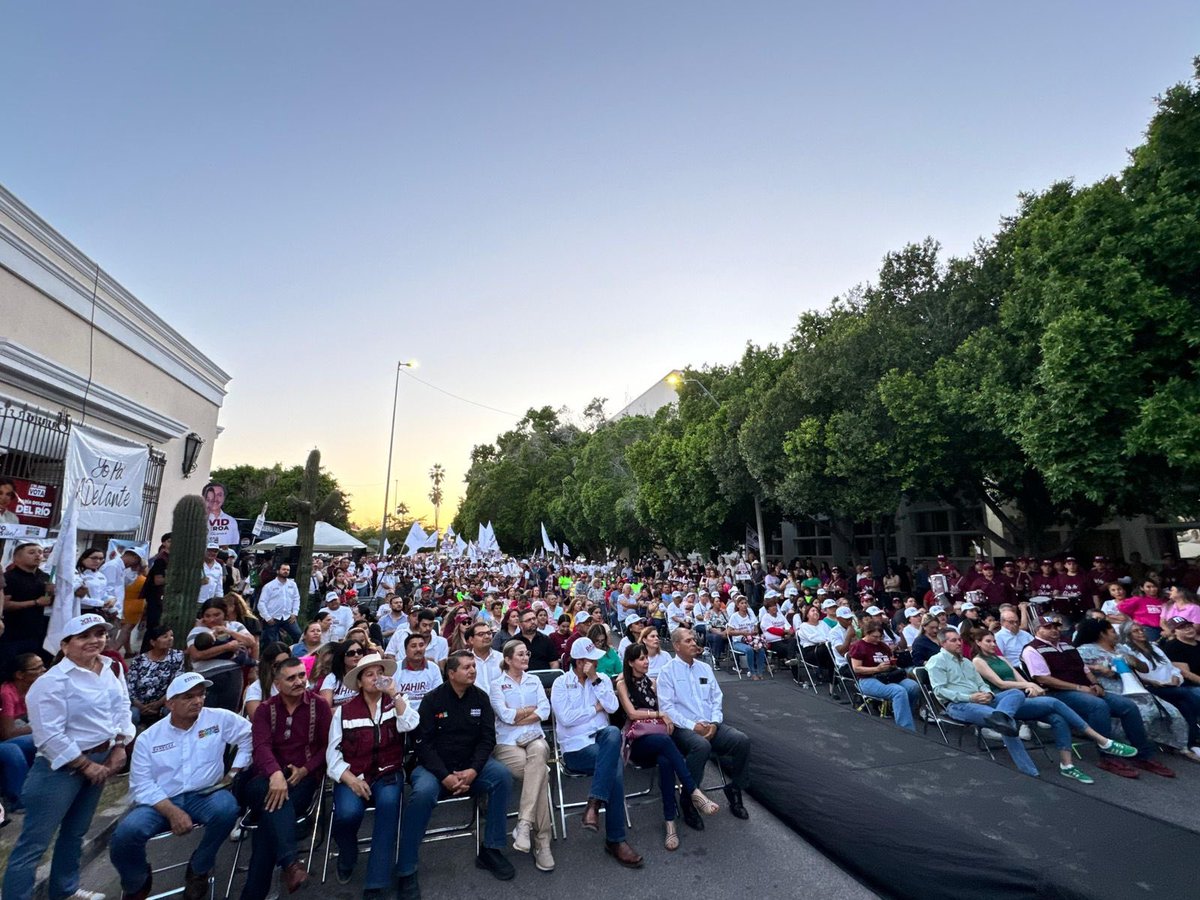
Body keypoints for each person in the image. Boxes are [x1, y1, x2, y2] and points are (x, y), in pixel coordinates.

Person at [3, 613, 136, 900]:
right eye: (84, 636)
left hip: (101, 759)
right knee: (34, 843)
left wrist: (120, 745)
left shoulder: (112, 668)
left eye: (99, 634)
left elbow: (122, 707)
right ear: (65, 645)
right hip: (59, 769)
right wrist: (85, 765)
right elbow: (48, 735)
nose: (94, 641)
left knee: (75, 833)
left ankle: (64, 889)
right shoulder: (51, 682)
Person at [110, 672, 251, 900]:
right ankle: (137, 881)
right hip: (160, 802)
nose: (197, 701)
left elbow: (249, 736)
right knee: (125, 835)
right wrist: (172, 812)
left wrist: (235, 770)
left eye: (201, 695)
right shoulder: (149, 738)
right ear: (170, 703)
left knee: (228, 809)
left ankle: (199, 867)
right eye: (188, 697)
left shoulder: (218, 719)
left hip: (205, 794)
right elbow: (142, 784)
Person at [397, 651, 515, 898]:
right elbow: (422, 744)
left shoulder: (481, 699)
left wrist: (473, 770)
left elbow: (487, 739)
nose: (472, 670)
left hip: (470, 766)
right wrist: (445, 776)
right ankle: (406, 867)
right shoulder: (432, 700)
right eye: (466, 667)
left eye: (473, 666)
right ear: (451, 674)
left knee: (502, 776)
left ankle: (491, 849)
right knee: (422, 793)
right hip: (434, 769)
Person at [971, 629, 1136, 782]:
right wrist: (1031, 686)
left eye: (994, 641)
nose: (993, 644)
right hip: (1004, 701)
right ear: (978, 643)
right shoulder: (978, 661)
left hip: (1024, 696)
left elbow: (1020, 679)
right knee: (1054, 702)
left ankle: (1067, 765)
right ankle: (1101, 740)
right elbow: (1000, 683)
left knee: (1058, 718)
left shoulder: (1001, 659)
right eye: (988, 641)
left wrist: (1029, 686)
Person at [1022, 615, 1174, 778]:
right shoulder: (1032, 649)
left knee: (1127, 706)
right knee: (1098, 706)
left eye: (1055, 626)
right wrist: (1079, 687)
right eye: (1048, 627)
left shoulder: (1067, 644)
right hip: (1057, 693)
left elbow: (1084, 669)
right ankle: (1107, 757)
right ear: (1037, 629)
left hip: (1084, 688)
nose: (1054, 630)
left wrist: (1096, 684)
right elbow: (1043, 678)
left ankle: (1143, 755)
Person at [326, 652, 418, 896]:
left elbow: (410, 724)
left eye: (380, 673)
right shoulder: (343, 712)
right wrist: (350, 779)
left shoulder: (395, 701)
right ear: (359, 682)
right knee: (346, 814)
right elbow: (332, 754)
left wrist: (395, 694)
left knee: (389, 807)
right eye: (370, 674)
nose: (376, 678)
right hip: (353, 773)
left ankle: (375, 883)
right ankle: (347, 856)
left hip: (388, 771)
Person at [242, 656, 332, 898]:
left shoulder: (319, 706)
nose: (299, 681)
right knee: (274, 800)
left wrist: (306, 769)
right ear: (277, 683)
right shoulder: (264, 710)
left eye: (302, 675)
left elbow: (328, 746)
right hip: (264, 780)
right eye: (291, 678)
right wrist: (275, 775)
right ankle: (290, 863)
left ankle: (256, 892)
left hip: (303, 778)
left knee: (267, 824)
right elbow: (260, 746)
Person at [616, 642, 719, 850]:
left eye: (647, 657)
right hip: (638, 742)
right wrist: (659, 714)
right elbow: (632, 714)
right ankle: (693, 790)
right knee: (665, 743)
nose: (646, 662)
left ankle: (670, 823)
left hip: (658, 738)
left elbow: (667, 704)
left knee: (665, 760)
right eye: (641, 658)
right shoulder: (622, 684)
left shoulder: (651, 682)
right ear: (630, 662)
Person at [550, 638, 643, 867]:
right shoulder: (561, 683)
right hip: (577, 747)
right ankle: (615, 839)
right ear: (581, 661)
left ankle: (594, 804)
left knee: (612, 731)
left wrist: (594, 681)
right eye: (593, 660)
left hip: (603, 739)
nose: (597, 663)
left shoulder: (600, 680)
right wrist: (594, 708)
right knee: (615, 769)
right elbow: (566, 719)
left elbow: (612, 707)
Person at [658, 627, 751, 825]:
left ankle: (735, 788)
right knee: (701, 746)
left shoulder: (705, 668)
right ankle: (689, 799)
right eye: (688, 641)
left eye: (694, 639)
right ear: (676, 646)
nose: (694, 643)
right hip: (683, 728)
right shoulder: (667, 672)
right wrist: (693, 726)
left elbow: (717, 698)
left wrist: (715, 723)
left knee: (741, 741)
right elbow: (667, 709)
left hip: (711, 725)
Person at [1073, 617, 1191, 761]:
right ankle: (1133, 747)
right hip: (1112, 690)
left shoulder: (1121, 648)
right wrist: (1097, 668)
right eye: (1112, 631)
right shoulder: (1085, 650)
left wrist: (1133, 660)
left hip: (1136, 688)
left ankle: (1179, 746)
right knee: (1145, 714)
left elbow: (1144, 668)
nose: (1116, 634)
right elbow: (1077, 667)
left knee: (1172, 712)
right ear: (1102, 634)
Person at [926, 627, 1038, 775]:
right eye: (954, 640)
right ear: (943, 643)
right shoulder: (937, 661)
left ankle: (1001, 717)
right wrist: (970, 697)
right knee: (1004, 722)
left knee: (1016, 693)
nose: (959, 643)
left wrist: (989, 693)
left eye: (959, 639)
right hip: (960, 704)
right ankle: (1029, 770)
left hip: (983, 699)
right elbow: (939, 691)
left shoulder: (966, 662)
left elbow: (981, 684)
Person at [487, 640, 555, 872]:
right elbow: (504, 716)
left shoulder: (534, 680)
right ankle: (542, 842)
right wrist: (529, 711)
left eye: (527, 654)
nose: (526, 657)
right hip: (507, 743)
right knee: (541, 776)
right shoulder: (497, 685)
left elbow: (545, 711)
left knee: (538, 751)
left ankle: (525, 825)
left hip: (534, 738)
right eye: (520, 654)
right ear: (507, 660)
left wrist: (520, 716)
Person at [1116, 621, 1200, 761]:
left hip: (1171, 686)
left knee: (1185, 704)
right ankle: (1193, 739)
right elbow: (1137, 673)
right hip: (1151, 687)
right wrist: (1154, 682)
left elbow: (1171, 667)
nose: (1141, 632)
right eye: (1136, 631)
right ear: (1128, 635)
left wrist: (1176, 677)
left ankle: (1190, 743)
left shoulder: (1155, 648)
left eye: (1141, 629)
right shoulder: (1127, 651)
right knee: (1186, 694)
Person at [849, 622, 923, 731]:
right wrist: (876, 669)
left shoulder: (883, 646)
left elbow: (891, 661)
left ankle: (902, 712)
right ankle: (906, 728)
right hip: (867, 679)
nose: (877, 639)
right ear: (866, 633)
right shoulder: (859, 646)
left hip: (887, 675)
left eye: (880, 637)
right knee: (898, 691)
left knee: (913, 686)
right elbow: (856, 668)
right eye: (874, 637)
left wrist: (892, 665)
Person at [187, 600, 258, 712]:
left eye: (217, 615)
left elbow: (250, 641)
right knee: (207, 712)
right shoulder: (198, 631)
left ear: (224, 614)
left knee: (228, 712)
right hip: (208, 676)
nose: (212, 619)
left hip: (232, 675)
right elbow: (196, 654)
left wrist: (228, 631)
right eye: (208, 616)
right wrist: (227, 647)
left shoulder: (235, 626)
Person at [1, 542, 55, 668]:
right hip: (13, 633)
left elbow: (49, 603)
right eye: (31, 552)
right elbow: (4, 604)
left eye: (40, 552)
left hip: (38, 631)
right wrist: (35, 602)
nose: (37, 555)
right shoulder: (9, 578)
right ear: (17, 557)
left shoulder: (45, 577)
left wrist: (52, 594)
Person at [0, 652, 43, 811]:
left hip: (22, 731)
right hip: (6, 740)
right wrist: (39, 726)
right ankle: (19, 800)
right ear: (19, 675)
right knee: (15, 749)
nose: (42, 670)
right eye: (36, 668)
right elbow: (7, 733)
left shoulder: (37, 687)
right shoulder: (6, 693)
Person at [126, 625, 185, 725]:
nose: (170, 639)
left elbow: (176, 683)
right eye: (165, 636)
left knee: (171, 711)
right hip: (139, 704)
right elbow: (130, 686)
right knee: (132, 714)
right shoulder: (139, 660)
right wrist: (140, 706)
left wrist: (158, 704)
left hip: (164, 702)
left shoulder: (177, 656)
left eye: (171, 635)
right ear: (153, 642)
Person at [393, 633, 443, 710]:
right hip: (402, 713)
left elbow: (438, 695)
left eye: (421, 645)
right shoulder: (395, 669)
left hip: (427, 712)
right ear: (406, 650)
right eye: (413, 646)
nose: (418, 649)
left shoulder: (434, 668)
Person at [258, 563, 302, 647]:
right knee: (272, 642)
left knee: (298, 634)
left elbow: (296, 599)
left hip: (288, 617)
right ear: (278, 571)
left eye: (288, 570)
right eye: (284, 569)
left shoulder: (292, 585)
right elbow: (261, 603)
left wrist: (295, 613)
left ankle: (294, 652)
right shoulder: (269, 586)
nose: (286, 571)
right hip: (273, 617)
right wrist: (267, 617)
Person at [243, 642, 291, 719]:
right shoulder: (256, 688)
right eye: (277, 665)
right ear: (268, 665)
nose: (283, 667)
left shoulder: (299, 680)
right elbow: (256, 718)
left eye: (287, 663)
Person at [726, 595, 767, 679]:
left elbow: (756, 630)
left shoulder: (751, 615)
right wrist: (741, 632)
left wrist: (752, 632)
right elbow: (729, 632)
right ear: (738, 605)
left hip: (751, 640)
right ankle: (752, 672)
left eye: (745, 603)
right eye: (742, 603)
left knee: (761, 649)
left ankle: (760, 672)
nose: (744, 605)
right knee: (749, 650)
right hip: (738, 641)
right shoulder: (734, 616)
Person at [320, 638, 368, 709]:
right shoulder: (331, 678)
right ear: (342, 657)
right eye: (351, 653)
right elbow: (326, 710)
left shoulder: (369, 675)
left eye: (359, 651)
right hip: (339, 718)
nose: (356, 655)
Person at [465, 621, 503, 694]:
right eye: (481, 634)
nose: (487, 637)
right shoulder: (465, 660)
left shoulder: (502, 658)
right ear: (471, 640)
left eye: (489, 633)